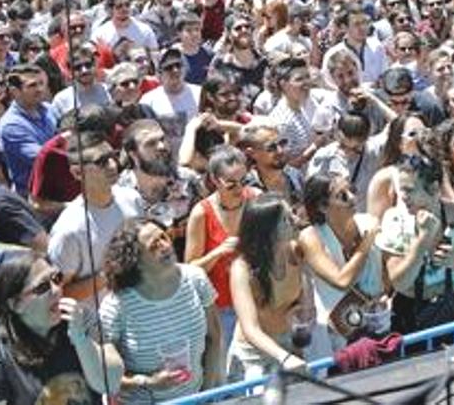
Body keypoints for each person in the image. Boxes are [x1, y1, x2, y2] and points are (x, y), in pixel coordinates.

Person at [98, 220, 224, 402]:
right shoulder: (117, 306)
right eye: (153, 246)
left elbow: (214, 338)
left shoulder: (196, 279)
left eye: (163, 237)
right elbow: (105, 375)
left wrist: (206, 395)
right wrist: (149, 382)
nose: (164, 246)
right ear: (136, 261)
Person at [377, 153, 454, 332]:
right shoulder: (395, 221)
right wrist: (422, 240)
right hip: (411, 313)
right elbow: (399, 282)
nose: (403, 197)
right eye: (401, 189)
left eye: (410, 190)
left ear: (435, 187)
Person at [0, 251, 116, 404]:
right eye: (42, 287)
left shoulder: (81, 318)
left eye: (56, 278)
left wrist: (81, 339)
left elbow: (111, 383)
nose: (56, 290)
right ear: (16, 304)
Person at [228, 194, 326, 379]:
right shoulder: (242, 269)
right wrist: (285, 357)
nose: (296, 220)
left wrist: (305, 314)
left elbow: (306, 301)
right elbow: (251, 329)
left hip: (289, 345)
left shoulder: (296, 251)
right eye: (287, 219)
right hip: (254, 356)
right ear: (268, 230)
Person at [47, 131, 145, 300]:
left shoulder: (132, 198)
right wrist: (110, 273)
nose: (113, 165)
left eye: (112, 156)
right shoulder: (69, 229)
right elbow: (59, 293)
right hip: (99, 322)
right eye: (102, 162)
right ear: (77, 173)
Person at [297, 172, 385, 348]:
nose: (352, 198)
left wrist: (387, 295)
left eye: (351, 190)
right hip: (336, 336)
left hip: (379, 322)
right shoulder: (311, 237)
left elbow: (387, 272)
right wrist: (365, 245)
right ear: (322, 206)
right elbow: (342, 281)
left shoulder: (369, 223)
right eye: (342, 195)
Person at [184, 145, 255, 360]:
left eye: (245, 181)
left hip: (255, 300)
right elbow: (190, 269)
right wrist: (219, 252)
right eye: (232, 184)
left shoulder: (255, 200)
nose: (240, 189)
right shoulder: (201, 213)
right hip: (221, 308)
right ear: (215, 180)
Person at [0, 63, 58, 195]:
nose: (39, 89)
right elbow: (45, 159)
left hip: (58, 187)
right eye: (32, 85)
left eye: (41, 83)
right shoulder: (11, 126)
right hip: (33, 197)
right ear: (15, 91)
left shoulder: (48, 109)